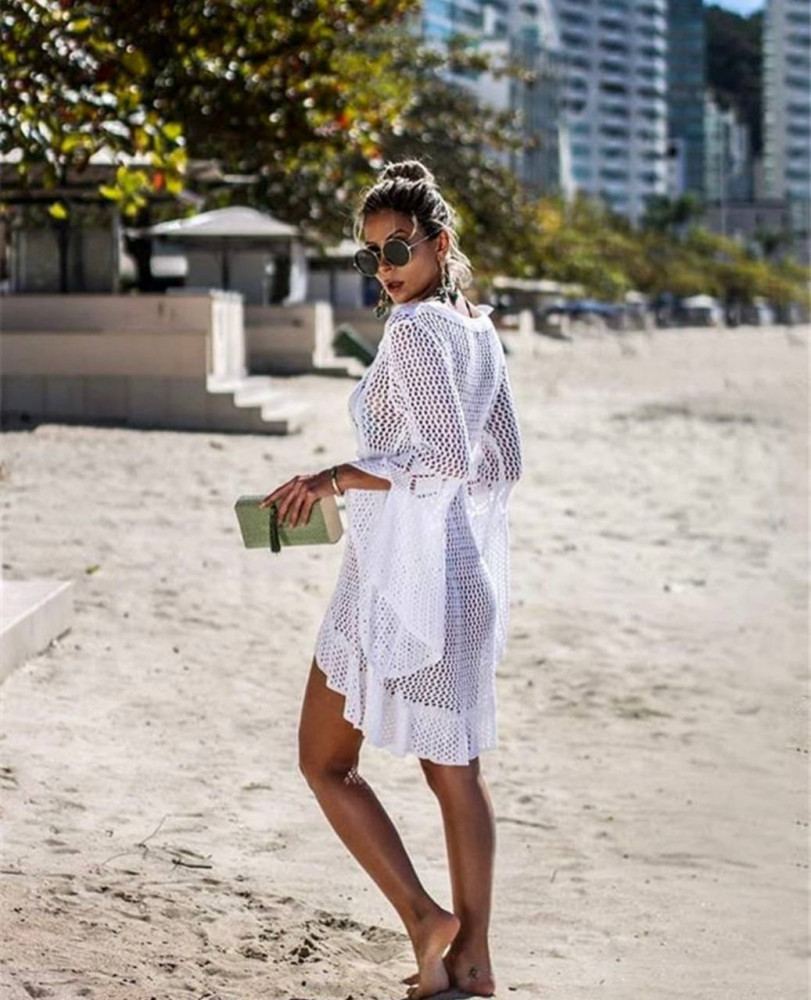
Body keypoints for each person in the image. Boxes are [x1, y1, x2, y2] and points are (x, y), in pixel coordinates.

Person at [258, 159, 523, 999]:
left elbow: (442, 458)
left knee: (323, 763)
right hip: (462, 578)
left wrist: (338, 478)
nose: (386, 268)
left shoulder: (412, 331)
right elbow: (500, 465)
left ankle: (423, 919)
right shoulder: (478, 329)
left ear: (440, 244)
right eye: (372, 254)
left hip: (398, 584)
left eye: (399, 248)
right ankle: (472, 961)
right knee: (456, 774)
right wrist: (419, 507)